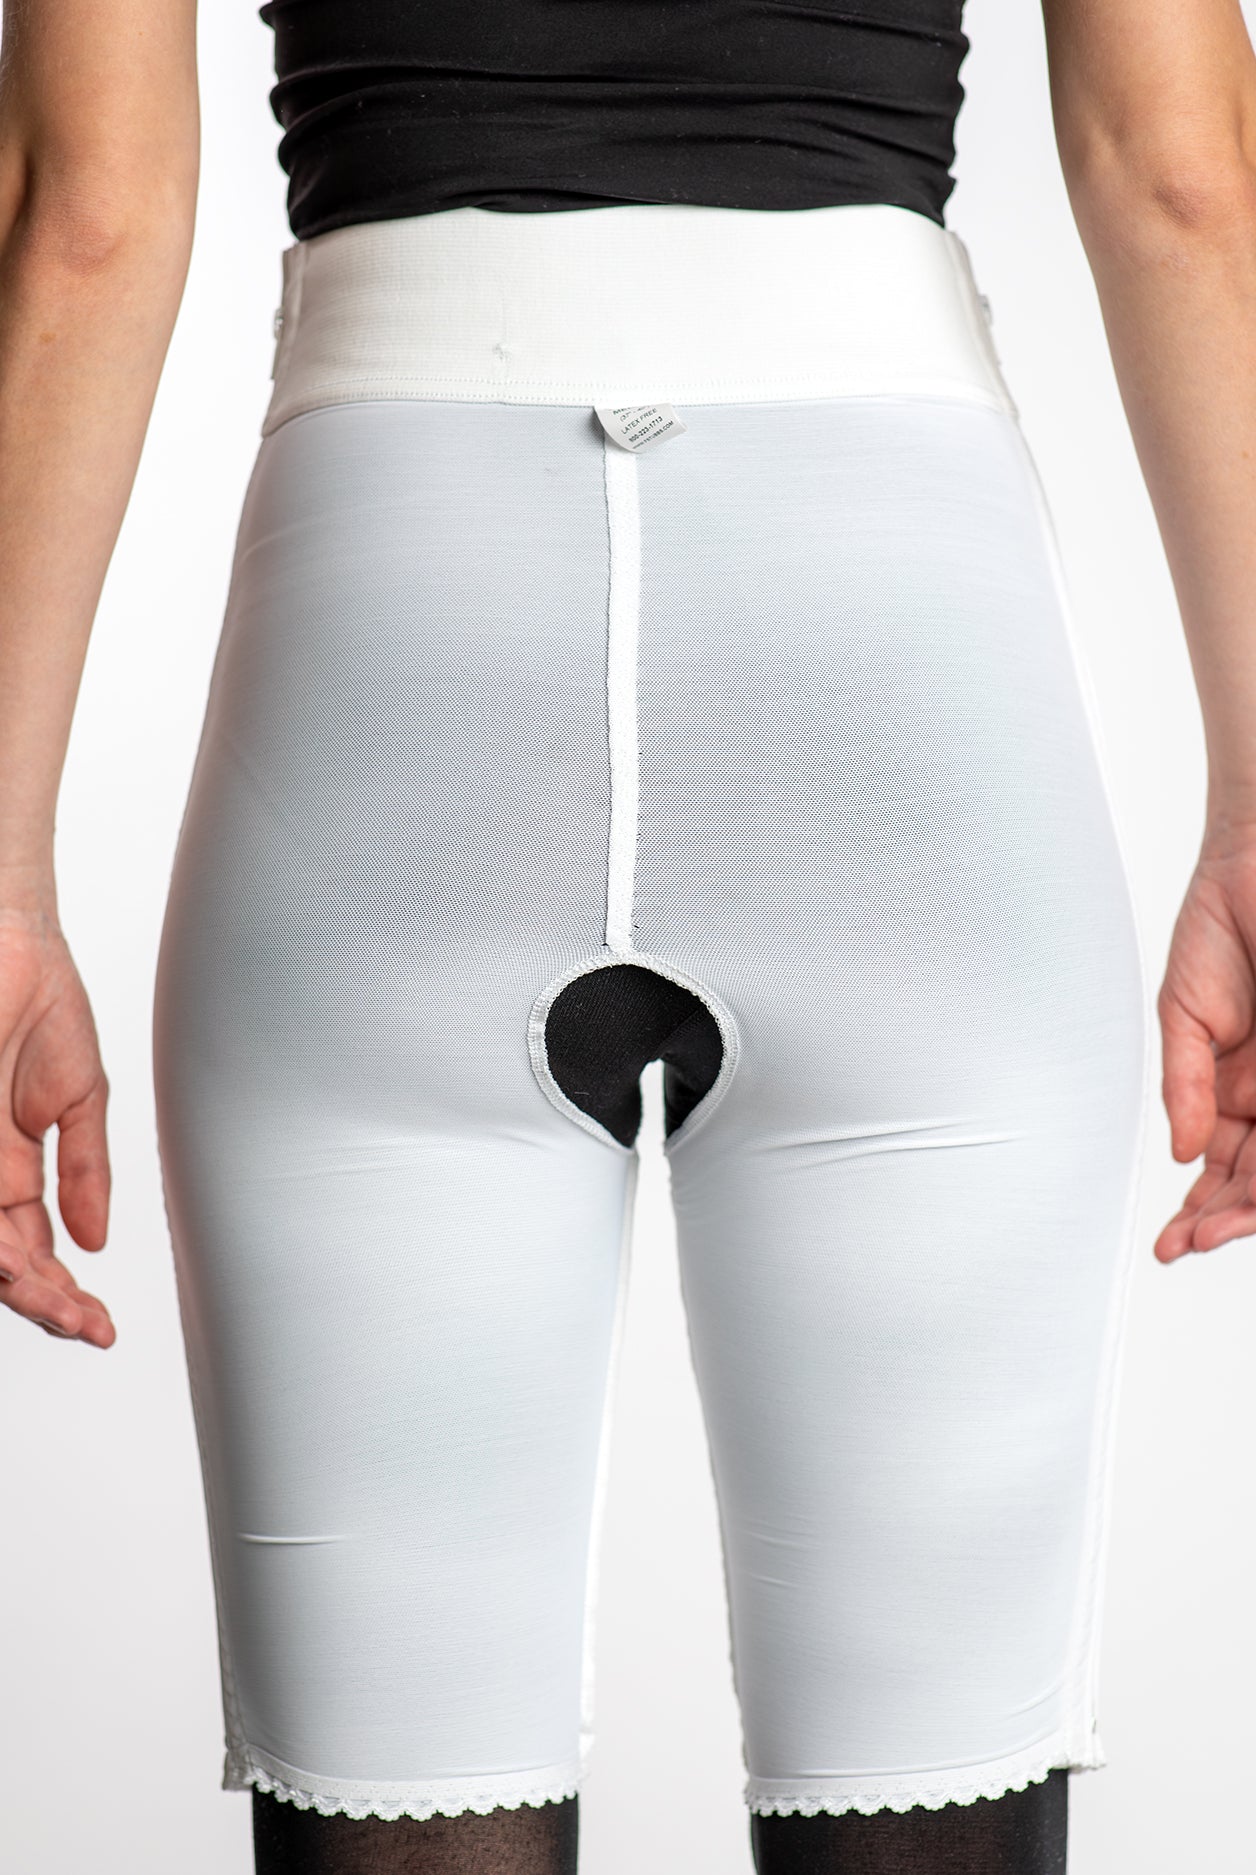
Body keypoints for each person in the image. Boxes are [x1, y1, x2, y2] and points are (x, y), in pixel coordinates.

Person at [3, 0, 1256, 1870]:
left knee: (391, 1795)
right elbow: (1183, 177)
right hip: (895, 636)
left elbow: (88, 215)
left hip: (394, 618)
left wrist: (3, 881)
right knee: (939, 1787)